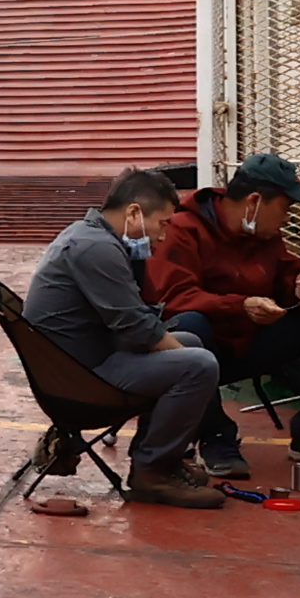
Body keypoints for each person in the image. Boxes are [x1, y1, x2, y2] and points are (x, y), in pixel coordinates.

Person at [27, 166, 228, 507]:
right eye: (163, 223)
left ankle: (159, 456)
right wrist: (177, 354)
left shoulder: (90, 235)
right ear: (134, 213)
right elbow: (137, 327)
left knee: (191, 346)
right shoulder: (95, 248)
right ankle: (153, 472)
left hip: (80, 362)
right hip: (80, 379)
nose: (164, 235)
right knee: (199, 365)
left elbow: (137, 318)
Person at [147, 153, 300, 477]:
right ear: (254, 202)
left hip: (251, 344)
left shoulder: (265, 235)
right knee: (189, 325)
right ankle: (214, 436)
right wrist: (240, 305)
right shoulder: (182, 229)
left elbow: (288, 274)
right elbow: (173, 300)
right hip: (201, 353)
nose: (287, 219)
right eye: (285, 208)